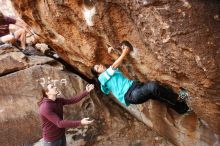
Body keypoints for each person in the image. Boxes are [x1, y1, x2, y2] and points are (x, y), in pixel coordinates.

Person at [91, 40, 190, 114]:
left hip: (135, 87)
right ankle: (180, 98)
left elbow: (119, 62)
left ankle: (182, 109)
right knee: (153, 87)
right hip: (131, 95)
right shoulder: (102, 79)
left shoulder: (111, 74)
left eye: (99, 64)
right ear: (98, 74)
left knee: (158, 94)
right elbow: (114, 65)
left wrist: (112, 53)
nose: (100, 65)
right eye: (97, 68)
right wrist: (125, 51)